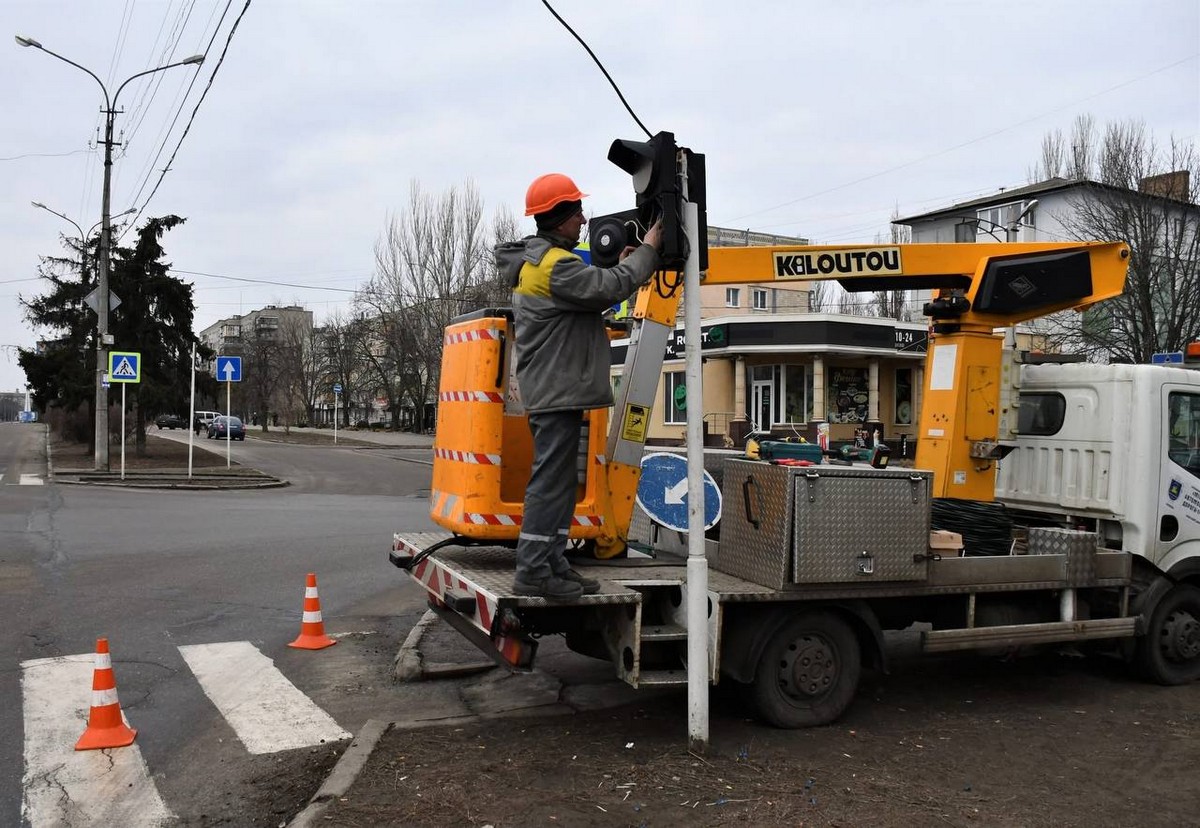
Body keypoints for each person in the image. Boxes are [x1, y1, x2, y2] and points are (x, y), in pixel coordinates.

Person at [496, 172, 663, 600]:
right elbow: (609, 287)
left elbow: (593, 285)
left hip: (555, 388)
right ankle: (533, 570)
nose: (584, 219)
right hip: (556, 390)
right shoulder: (555, 267)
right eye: (577, 212)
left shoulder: (545, 263)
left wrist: (623, 261)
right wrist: (648, 251)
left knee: (559, 482)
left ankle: (552, 563)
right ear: (559, 217)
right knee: (550, 482)